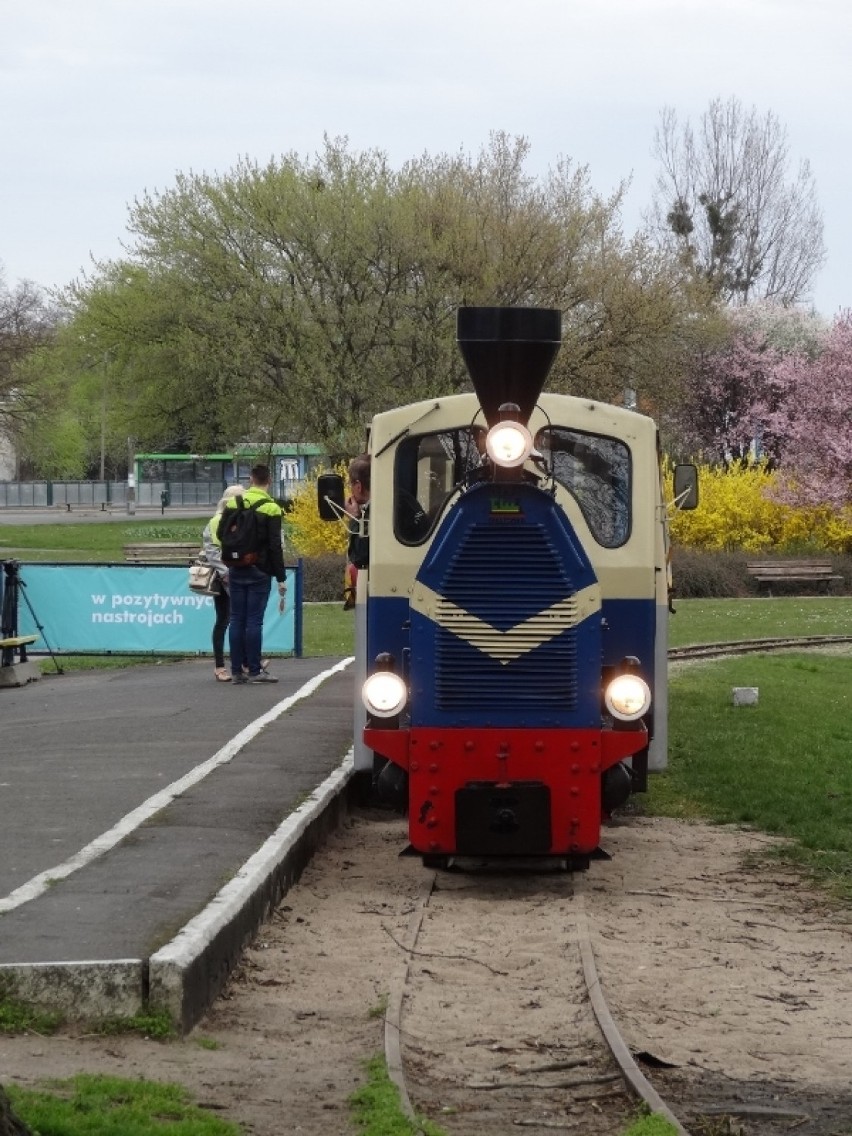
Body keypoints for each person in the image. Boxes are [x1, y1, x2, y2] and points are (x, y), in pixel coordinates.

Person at [216, 464, 287, 684]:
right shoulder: (272, 508)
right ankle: (255, 670)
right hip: (260, 569)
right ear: (269, 481)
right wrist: (280, 577)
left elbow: (220, 534)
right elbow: (275, 546)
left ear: (250, 479)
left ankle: (236, 670)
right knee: (254, 621)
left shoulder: (235, 502)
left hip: (236, 568)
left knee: (236, 619)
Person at [203, 484, 244, 682]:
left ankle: (243, 662)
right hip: (224, 578)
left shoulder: (235, 519)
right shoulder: (217, 521)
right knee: (224, 620)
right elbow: (211, 551)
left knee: (234, 620)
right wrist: (226, 572)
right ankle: (221, 666)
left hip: (230, 575)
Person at [343, 454, 370, 610]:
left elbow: (359, 557)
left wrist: (354, 518)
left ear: (358, 486)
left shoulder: (372, 512)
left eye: (351, 485)